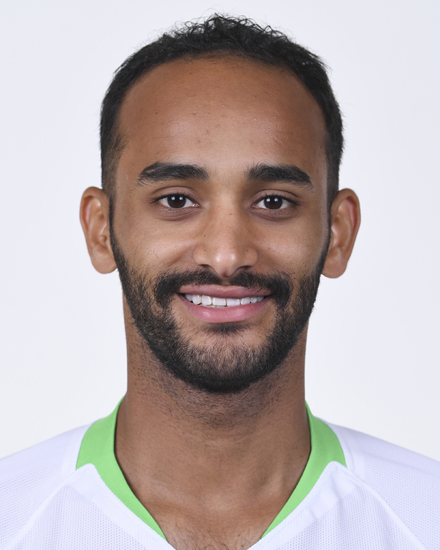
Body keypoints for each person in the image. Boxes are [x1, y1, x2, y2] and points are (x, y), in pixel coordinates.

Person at [1, 14, 439, 550]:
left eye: (273, 202)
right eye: (176, 200)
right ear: (101, 229)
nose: (227, 255)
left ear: (338, 232)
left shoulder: (426, 518)